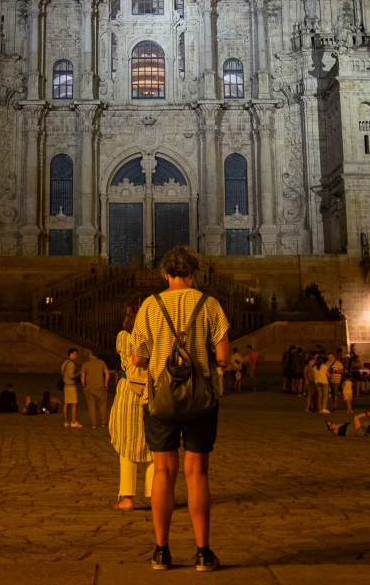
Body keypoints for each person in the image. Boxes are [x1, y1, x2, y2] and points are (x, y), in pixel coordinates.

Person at [131, 245, 230, 572]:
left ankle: (161, 551)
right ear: (193, 274)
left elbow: (139, 358)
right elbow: (223, 357)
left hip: (160, 400)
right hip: (201, 400)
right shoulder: (209, 304)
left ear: (165, 274)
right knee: (197, 473)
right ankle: (203, 552)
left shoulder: (149, 306)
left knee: (163, 472)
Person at [109, 295, 154, 511]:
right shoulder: (156, 336)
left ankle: (127, 498)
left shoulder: (124, 336)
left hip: (128, 392)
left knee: (127, 447)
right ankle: (156, 495)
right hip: (153, 392)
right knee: (156, 448)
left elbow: (128, 360)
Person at [81, 348, 110, 428]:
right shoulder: (102, 362)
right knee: (102, 404)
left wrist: (84, 386)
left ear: (90, 355)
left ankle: (94, 423)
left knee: (91, 405)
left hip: (89, 387)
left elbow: (82, 377)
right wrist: (106, 384)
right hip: (100, 386)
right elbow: (107, 373)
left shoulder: (85, 364)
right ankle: (103, 422)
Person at [61, 348, 82, 428]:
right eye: (75, 354)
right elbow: (71, 376)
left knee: (66, 404)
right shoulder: (71, 364)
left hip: (66, 385)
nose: (76, 356)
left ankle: (66, 422)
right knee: (74, 404)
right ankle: (73, 421)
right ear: (72, 354)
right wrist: (79, 373)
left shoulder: (64, 363)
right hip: (71, 386)